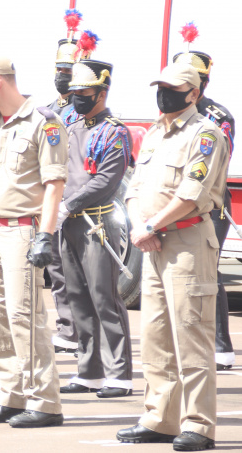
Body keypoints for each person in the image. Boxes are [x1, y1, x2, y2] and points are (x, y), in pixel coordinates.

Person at [117, 63, 228, 451]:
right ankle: (160, 417)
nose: (164, 94)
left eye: (174, 88)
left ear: (194, 93)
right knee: (156, 335)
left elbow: (192, 193)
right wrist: (138, 225)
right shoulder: (154, 133)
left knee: (190, 333)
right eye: (161, 86)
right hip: (152, 242)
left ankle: (198, 424)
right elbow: (134, 189)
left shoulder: (206, 134)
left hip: (187, 243)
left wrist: (151, 226)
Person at [0, 52, 67, 428]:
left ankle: (44, 400)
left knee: (25, 316)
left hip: (22, 229)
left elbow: (54, 184)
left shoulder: (44, 123)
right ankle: (11, 394)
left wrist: (46, 236)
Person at [56, 58, 133, 398]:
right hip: (68, 224)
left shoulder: (114, 131)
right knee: (78, 299)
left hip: (97, 223)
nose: (78, 98)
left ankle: (119, 373)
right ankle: (89, 371)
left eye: (84, 92)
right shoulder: (71, 129)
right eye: (75, 92)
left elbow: (106, 179)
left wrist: (70, 204)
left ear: (101, 93)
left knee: (105, 298)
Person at [173, 28, 236, 372]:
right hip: (173, 201)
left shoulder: (217, 118)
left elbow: (213, 164)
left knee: (207, 272)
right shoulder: (170, 114)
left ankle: (220, 345)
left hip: (210, 204)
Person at [44, 10, 85, 355]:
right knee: (56, 270)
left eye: (68, 72)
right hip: (51, 200)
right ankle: (66, 326)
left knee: (81, 273)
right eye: (59, 71)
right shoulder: (47, 110)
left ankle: (80, 329)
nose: (62, 78)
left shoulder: (85, 113)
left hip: (77, 201)